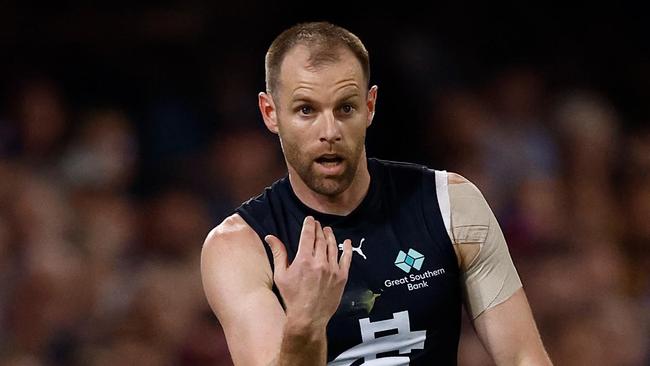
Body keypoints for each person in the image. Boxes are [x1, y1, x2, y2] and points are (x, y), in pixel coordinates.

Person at [201, 21, 552, 365]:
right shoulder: (238, 247)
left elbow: (523, 356)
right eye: (306, 110)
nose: (330, 131)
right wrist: (305, 323)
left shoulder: (450, 203)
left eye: (346, 108)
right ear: (270, 112)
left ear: (369, 107)